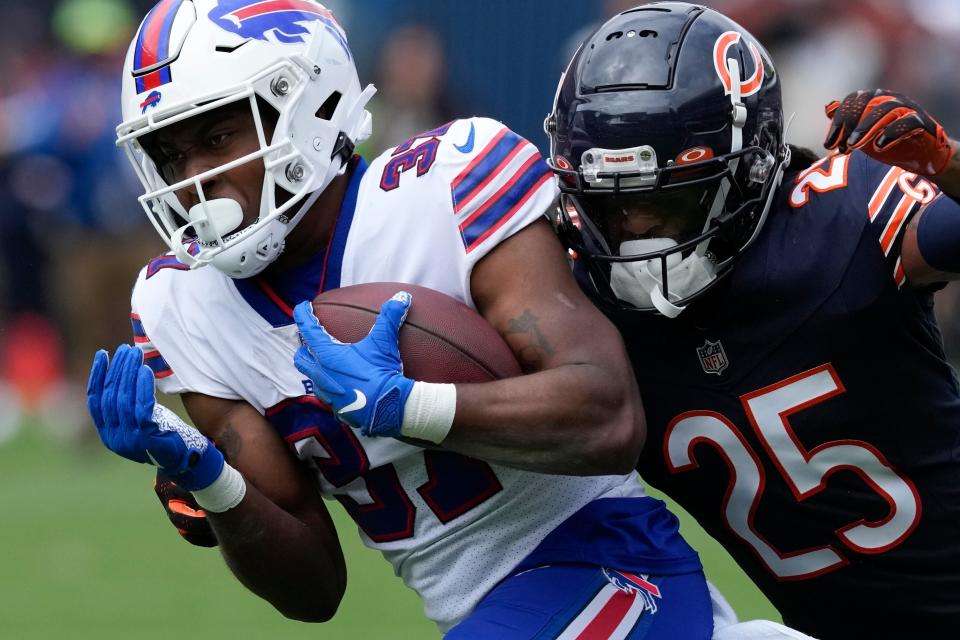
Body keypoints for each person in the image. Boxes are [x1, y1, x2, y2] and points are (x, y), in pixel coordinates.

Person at [86, 1, 716, 637]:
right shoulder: (183, 306)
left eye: (218, 138)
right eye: (170, 155)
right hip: (490, 616)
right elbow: (313, 591)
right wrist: (211, 477)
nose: (194, 181)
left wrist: (407, 407)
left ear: (306, 105)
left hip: (614, 564)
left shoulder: (445, 187)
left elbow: (608, 417)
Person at [543, 2, 960, 638]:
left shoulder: (844, 220)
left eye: (669, 199)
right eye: (611, 207)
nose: (637, 237)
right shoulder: (579, 300)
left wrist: (947, 162)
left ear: (752, 164)